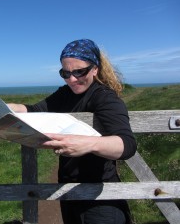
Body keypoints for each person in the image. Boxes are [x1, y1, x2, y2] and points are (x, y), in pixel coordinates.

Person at [8, 39, 137, 224]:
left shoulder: (104, 97)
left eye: (79, 72)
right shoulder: (65, 94)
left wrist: (88, 144)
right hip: (69, 191)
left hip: (100, 196)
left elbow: (127, 145)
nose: (72, 79)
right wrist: (4, 108)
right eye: (65, 73)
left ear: (95, 69)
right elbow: (34, 110)